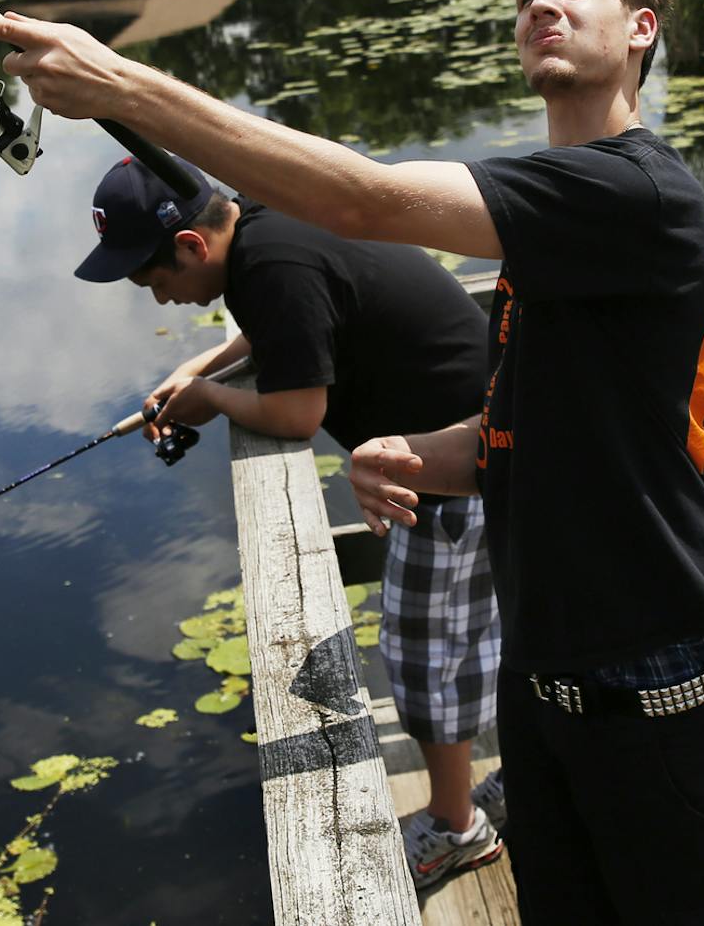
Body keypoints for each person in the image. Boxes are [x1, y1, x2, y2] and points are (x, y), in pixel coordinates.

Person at [0, 0, 704, 922]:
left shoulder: (636, 192)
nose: (543, 2)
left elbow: (361, 199)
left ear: (642, 30)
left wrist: (119, 87)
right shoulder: (559, 215)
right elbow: (524, 433)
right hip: (548, 701)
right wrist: (411, 454)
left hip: (671, 700)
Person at [71, 151, 509, 889]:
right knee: (478, 636)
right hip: (485, 442)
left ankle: (457, 826)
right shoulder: (267, 223)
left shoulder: (269, 267)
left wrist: (211, 402)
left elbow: (296, 413)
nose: (155, 299)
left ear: (190, 246)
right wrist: (198, 371)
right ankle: (506, 784)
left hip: (449, 473)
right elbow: (282, 328)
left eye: (153, 280)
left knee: (425, 657)